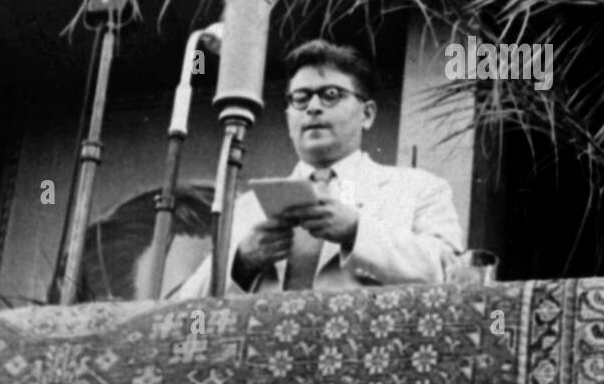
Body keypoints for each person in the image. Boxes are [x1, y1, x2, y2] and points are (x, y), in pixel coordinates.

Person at [173, 40, 463, 298]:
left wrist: (356, 232)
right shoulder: (245, 209)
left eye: (331, 94)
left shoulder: (419, 188)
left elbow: (453, 274)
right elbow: (184, 308)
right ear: (289, 117)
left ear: (368, 114)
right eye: (300, 98)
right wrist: (241, 261)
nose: (312, 107)